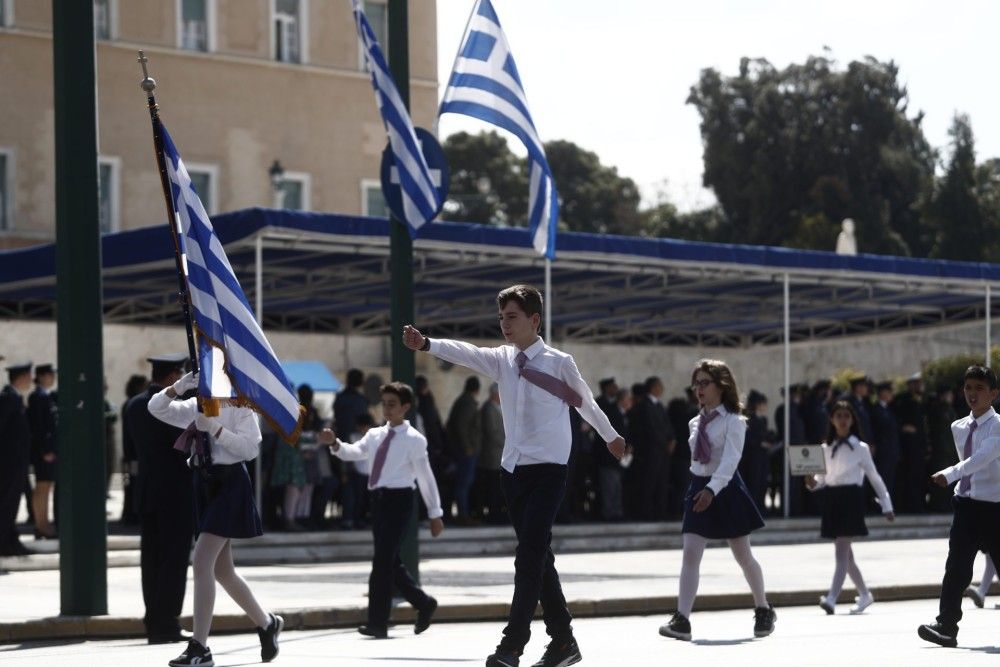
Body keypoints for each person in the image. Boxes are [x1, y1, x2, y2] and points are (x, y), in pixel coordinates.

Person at [404, 284, 626, 667]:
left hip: (550, 472)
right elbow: (467, 353)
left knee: (528, 557)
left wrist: (611, 437)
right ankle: (563, 642)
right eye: (501, 317)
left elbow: (586, 402)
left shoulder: (559, 362)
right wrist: (427, 344)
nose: (505, 324)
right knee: (539, 557)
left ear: (534, 320)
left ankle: (512, 645)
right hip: (513, 472)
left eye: (512, 317)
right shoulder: (503, 360)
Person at [148, 370, 282, 666]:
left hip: (230, 483)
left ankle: (199, 647)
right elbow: (156, 408)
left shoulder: (241, 406)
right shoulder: (197, 404)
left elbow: (249, 448)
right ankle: (266, 623)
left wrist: (215, 429)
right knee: (222, 571)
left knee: (202, 561)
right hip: (204, 484)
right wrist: (179, 387)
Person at [659, 359, 775, 642]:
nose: (698, 389)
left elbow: (731, 460)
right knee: (690, 553)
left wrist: (712, 490)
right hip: (699, 486)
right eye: (696, 383)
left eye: (704, 383)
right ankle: (682, 619)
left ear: (721, 386)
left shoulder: (735, 421)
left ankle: (763, 608)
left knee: (743, 555)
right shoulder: (694, 422)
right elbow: (697, 461)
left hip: (725, 488)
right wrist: (701, 489)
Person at [319, 381, 444, 639]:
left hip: (400, 501)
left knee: (382, 563)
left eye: (392, 404)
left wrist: (435, 512)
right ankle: (423, 602)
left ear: (405, 408)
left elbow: (425, 476)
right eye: (384, 403)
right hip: (378, 501)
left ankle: (377, 622)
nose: (386, 409)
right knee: (390, 561)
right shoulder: (375, 435)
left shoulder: (414, 440)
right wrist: (335, 444)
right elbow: (355, 453)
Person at [918, 365, 1000, 648]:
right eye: (968, 388)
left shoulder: (999, 425)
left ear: (993, 393)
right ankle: (946, 626)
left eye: (979, 388)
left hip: (996, 508)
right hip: (967, 506)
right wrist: (959, 483)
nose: (972, 394)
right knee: (956, 568)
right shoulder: (958, 426)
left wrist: (951, 474)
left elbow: (982, 458)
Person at [125, 354, 195, 644]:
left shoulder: (133, 405)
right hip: (175, 492)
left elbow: (130, 451)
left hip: (147, 491)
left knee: (151, 560)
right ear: (172, 377)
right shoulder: (172, 407)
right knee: (174, 561)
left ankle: (153, 620)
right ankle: (167, 622)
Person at [805, 400, 895, 615]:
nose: (843, 420)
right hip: (833, 499)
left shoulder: (861, 448)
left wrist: (886, 505)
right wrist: (811, 482)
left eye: (847, 416)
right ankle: (865, 594)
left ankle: (832, 598)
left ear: (853, 420)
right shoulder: (825, 448)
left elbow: (874, 477)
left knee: (841, 552)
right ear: (832, 420)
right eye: (839, 416)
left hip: (851, 499)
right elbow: (822, 480)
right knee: (847, 556)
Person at [0, 362, 34, 557]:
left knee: (12, 503)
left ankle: (10, 539)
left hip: (16, 462)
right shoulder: (8, 398)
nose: (31, 380)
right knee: (7, 503)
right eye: (29, 376)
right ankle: (4, 543)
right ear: (20, 378)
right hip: (9, 463)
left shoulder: (14, 398)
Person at [632, 376, 675, 521]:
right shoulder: (645, 405)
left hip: (662, 453)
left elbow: (667, 426)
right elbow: (651, 429)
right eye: (659, 386)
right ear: (653, 388)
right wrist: (665, 443)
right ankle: (647, 514)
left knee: (662, 483)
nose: (662, 389)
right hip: (651, 452)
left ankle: (661, 513)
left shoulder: (659, 405)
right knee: (649, 483)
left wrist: (672, 440)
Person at [27, 363, 58, 539]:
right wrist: (46, 449)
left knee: (45, 487)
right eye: (49, 375)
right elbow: (39, 427)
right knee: (42, 487)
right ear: (41, 376)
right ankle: (41, 524)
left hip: (46, 450)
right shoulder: (38, 396)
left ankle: (43, 523)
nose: (52, 378)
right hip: (43, 452)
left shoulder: (45, 396)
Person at [447, 376, 482, 525]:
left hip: (465, 451)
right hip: (465, 452)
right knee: (463, 483)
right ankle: (463, 515)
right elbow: (462, 427)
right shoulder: (467, 403)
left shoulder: (464, 401)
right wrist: (468, 447)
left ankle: (463, 514)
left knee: (464, 483)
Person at [895, 373, 929, 513]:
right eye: (916, 383)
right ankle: (910, 506)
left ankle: (919, 504)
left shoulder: (922, 400)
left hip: (920, 445)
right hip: (908, 446)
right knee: (909, 476)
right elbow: (896, 419)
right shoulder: (903, 400)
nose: (919, 386)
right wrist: (903, 427)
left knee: (920, 476)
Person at [594, 378, 626, 521]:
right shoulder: (600, 403)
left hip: (616, 452)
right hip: (604, 451)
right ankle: (608, 513)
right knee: (608, 484)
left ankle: (616, 512)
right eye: (613, 386)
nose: (616, 388)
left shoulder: (615, 406)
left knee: (615, 484)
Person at [120, 374, 149, 526]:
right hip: (133, 454)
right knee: (133, 484)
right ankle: (131, 515)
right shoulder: (132, 405)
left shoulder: (130, 404)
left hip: (131, 453)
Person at [741, 390, 772, 514]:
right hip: (752, 457)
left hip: (762, 456)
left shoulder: (762, 419)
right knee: (753, 482)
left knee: (762, 483)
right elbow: (749, 439)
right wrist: (760, 443)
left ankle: (760, 508)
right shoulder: (749, 419)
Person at [478, 383, 506, 524]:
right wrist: (508, 443)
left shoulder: (498, 407)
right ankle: (493, 514)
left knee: (498, 486)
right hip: (493, 455)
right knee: (493, 487)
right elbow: (492, 433)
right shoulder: (488, 409)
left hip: (500, 455)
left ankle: (498, 513)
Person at [871, 381, 900, 505]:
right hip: (883, 451)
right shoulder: (876, 409)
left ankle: (887, 503)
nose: (891, 395)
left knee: (889, 478)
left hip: (891, 451)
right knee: (882, 478)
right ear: (882, 393)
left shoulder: (888, 410)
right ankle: (880, 504)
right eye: (888, 392)